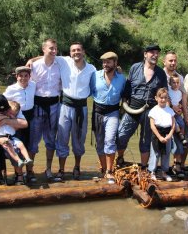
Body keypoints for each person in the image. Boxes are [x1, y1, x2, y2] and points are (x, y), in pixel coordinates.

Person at [116, 45, 168, 169]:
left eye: (157, 53)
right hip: (132, 108)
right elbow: (127, 87)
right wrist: (123, 104)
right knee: (121, 135)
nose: (155, 55)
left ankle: (144, 167)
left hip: (150, 111)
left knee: (145, 141)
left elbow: (164, 93)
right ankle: (120, 158)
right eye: (152, 53)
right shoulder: (135, 68)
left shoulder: (161, 73)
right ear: (145, 54)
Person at [54, 42, 96, 181]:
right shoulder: (64, 61)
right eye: (73, 50)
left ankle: (77, 167)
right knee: (62, 138)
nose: (76, 52)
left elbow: (98, 84)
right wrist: (31, 60)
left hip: (81, 108)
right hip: (65, 106)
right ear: (70, 53)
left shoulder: (91, 69)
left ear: (83, 51)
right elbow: (47, 56)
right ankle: (61, 169)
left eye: (78, 50)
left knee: (79, 139)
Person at [90, 51, 126, 184]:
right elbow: (87, 90)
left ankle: (110, 171)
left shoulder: (122, 78)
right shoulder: (95, 76)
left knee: (110, 140)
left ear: (115, 63)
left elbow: (125, 95)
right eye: (104, 62)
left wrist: (124, 109)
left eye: (108, 62)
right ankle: (104, 169)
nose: (105, 64)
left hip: (113, 113)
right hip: (97, 112)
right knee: (99, 143)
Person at [28, 38, 61, 181]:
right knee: (33, 139)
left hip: (54, 105)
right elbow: (24, 83)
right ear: (44, 49)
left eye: (55, 48)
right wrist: (31, 59)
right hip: (37, 104)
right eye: (51, 48)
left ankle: (48, 170)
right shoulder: (34, 66)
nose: (53, 51)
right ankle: (29, 170)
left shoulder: (60, 64)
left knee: (51, 139)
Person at [3, 66, 36, 182]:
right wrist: (10, 115)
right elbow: (3, 102)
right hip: (17, 119)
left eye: (26, 76)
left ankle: (30, 171)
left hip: (31, 116)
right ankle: (19, 174)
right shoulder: (11, 89)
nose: (23, 78)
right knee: (18, 145)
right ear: (16, 77)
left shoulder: (33, 85)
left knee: (30, 145)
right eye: (20, 76)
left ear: (29, 77)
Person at [148, 88, 175, 182]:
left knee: (166, 153)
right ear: (156, 98)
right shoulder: (153, 111)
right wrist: (159, 137)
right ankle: (152, 172)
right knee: (155, 154)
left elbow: (173, 125)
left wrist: (169, 135)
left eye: (165, 98)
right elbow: (152, 126)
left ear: (167, 98)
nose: (163, 100)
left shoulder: (170, 110)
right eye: (161, 97)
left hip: (167, 134)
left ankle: (164, 172)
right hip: (157, 135)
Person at [0, 101, 33, 168]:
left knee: (21, 144)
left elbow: (19, 127)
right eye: (10, 113)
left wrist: (13, 119)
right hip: (3, 137)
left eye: (14, 114)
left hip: (12, 137)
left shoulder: (14, 119)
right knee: (10, 148)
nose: (11, 115)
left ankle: (27, 159)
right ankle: (19, 160)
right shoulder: (1, 115)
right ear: (7, 110)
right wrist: (6, 118)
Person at [167, 73, 187, 177]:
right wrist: (173, 108)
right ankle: (180, 135)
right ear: (170, 83)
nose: (175, 84)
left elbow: (180, 103)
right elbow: (168, 103)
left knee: (182, 123)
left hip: (178, 113)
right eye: (173, 82)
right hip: (170, 114)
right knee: (176, 125)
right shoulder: (168, 91)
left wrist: (179, 107)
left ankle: (181, 136)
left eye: (177, 82)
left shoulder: (180, 92)